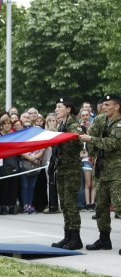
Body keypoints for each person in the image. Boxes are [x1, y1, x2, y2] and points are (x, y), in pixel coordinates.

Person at [79, 94, 121, 252]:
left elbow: (113, 144)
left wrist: (91, 140)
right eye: (103, 105)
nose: (104, 107)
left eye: (108, 105)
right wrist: (90, 150)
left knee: (120, 206)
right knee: (101, 207)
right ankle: (104, 239)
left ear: (116, 107)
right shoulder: (100, 120)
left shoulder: (119, 124)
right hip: (101, 170)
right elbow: (91, 134)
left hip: (117, 172)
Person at [51, 97, 83, 250]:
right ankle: (67, 236)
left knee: (71, 203)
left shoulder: (74, 125)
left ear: (68, 109)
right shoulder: (60, 126)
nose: (56, 109)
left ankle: (76, 238)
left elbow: (78, 141)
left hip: (72, 169)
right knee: (63, 203)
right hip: (62, 168)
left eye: (59, 107)